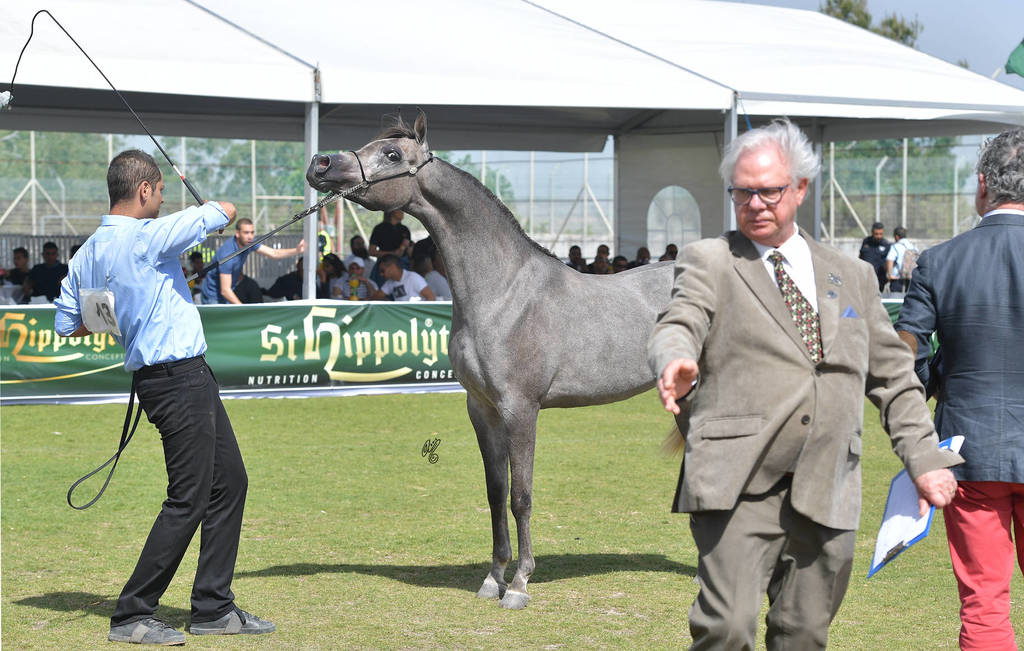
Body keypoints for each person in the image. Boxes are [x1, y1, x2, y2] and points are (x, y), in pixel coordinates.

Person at [648, 118, 961, 650]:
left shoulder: (853, 275)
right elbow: (680, 319)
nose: (754, 204)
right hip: (736, 481)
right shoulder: (710, 260)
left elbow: (893, 376)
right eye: (741, 192)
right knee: (726, 628)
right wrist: (676, 356)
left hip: (829, 481)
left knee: (804, 635)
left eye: (768, 191)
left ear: (799, 188)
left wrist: (925, 458)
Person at [53, 149, 274, 645]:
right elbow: (223, 211)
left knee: (229, 482)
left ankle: (213, 607)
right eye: (160, 192)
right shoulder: (147, 236)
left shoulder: (87, 253)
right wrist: (210, 205)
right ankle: (132, 613)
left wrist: (123, 310)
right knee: (189, 496)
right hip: (179, 380)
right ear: (144, 190)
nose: (161, 201)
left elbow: (67, 323)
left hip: (175, 378)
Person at [895, 128, 1024, 651]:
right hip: (976, 448)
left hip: (968, 449)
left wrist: (937, 381)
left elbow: (906, 353)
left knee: (983, 602)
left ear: (982, 185)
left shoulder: (940, 260)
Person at [199, 218, 305, 304]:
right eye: (246, 233)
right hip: (213, 296)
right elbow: (225, 290)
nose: (250, 236)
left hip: (227, 293)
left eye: (252, 232)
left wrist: (297, 250)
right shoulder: (227, 255)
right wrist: (243, 309)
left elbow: (273, 253)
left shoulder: (249, 243)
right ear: (237, 233)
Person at [368, 209, 411, 284]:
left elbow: (409, 251)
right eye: (400, 209)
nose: (403, 212)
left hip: (402, 265)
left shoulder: (405, 229)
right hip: (384, 265)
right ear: (392, 210)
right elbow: (371, 251)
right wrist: (392, 253)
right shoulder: (379, 229)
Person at [858, 221, 891, 292]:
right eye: (876, 234)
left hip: (879, 279)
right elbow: (860, 257)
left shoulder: (886, 244)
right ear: (872, 233)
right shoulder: (866, 241)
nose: (879, 236)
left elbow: (889, 262)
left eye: (881, 234)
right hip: (866, 277)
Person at [884, 226, 917, 294]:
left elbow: (890, 260)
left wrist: (890, 275)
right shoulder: (913, 247)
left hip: (897, 278)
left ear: (896, 236)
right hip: (911, 279)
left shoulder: (895, 246)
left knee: (896, 298)